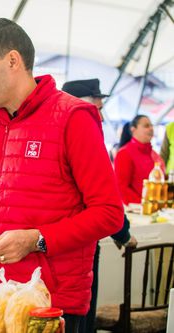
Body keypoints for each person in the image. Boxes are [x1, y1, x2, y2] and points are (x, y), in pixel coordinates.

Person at [0, 18, 123, 332]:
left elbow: (109, 213)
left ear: (13, 60)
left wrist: (38, 240)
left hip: (47, 301)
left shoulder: (73, 118)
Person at [62, 79, 138, 333]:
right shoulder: (83, 132)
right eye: (97, 105)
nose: (101, 115)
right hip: (79, 246)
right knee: (80, 319)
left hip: (55, 244)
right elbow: (106, 199)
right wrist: (123, 233)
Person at [114, 115, 164, 205]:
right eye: (146, 126)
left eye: (151, 125)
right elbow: (121, 187)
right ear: (133, 129)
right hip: (135, 210)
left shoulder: (155, 155)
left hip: (156, 208)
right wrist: (143, 204)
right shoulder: (124, 153)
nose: (151, 129)